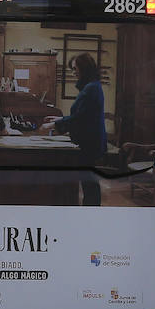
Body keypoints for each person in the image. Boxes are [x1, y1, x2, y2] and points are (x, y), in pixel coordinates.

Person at [43, 52, 108, 204]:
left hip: (89, 143)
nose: (73, 72)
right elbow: (82, 114)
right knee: (89, 184)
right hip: (91, 141)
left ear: (84, 68)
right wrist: (60, 119)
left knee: (90, 185)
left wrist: (53, 124)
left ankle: (89, 215)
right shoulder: (92, 86)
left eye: (75, 68)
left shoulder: (91, 88)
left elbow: (81, 118)